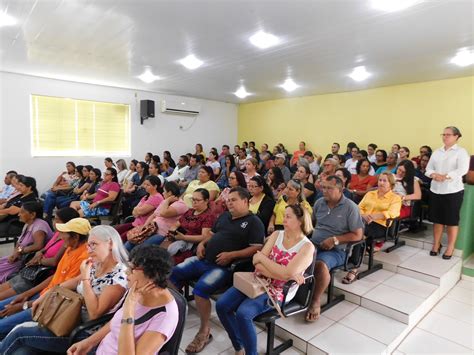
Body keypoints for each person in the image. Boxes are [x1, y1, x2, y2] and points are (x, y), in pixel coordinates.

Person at [0, 225, 129, 354]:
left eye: (94, 244)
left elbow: (95, 313)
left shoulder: (119, 277)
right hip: (66, 316)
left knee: (19, 332)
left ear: (111, 244)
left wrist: (85, 279)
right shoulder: (97, 264)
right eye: (88, 245)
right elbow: (72, 282)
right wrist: (45, 296)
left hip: (81, 331)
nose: (89, 250)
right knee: (22, 351)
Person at [170, 187, 265, 354]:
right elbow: (211, 235)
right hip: (204, 260)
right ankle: (171, 312)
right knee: (173, 273)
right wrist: (201, 244)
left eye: (233, 200)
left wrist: (232, 255)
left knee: (200, 289)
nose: (229, 203)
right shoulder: (224, 216)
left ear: (245, 201)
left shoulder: (254, 222)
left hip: (225, 267)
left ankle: (204, 331)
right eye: (228, 200)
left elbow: (257, 249)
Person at [216, 204, 314, 355]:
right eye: (284, 215)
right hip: (257, 280)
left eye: (288, 216)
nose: (283, 219)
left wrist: (264, 259)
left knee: (244, 313)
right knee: (221, 305)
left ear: (300, 221)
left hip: (280, 290)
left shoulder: (307, 247)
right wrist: (279, 270)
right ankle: (239, 346)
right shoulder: (277, 235)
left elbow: (284, 274)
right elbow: (256, 262)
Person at [67, 245, 179, 355]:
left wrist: (128, 312)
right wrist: (88, 343)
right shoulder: (138, 289)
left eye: (132, 269)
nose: (126, 272)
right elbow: (115, 322)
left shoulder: (165, 315)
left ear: (153, 275)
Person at [0, 217, 91, 339]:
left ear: (75, 237)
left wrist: (25, 305)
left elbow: (63, 292)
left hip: (52, 303)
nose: (60, 235)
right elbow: (55, 277)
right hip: (43, 295)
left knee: (3, 324)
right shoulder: (70, 248)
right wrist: (27, 294)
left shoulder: (83, 257)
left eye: (64, 233)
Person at [305, 175, 364, 321]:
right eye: (323, 187)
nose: (324, 191)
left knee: (320, 265)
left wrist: (335, 240)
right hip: (314, 244)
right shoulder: (319, 203)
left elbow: (358, 235)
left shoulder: (350, 207)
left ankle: (315, 300)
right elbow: (311, 225)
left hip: (337, 250)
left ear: (340, 189)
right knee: (292, 255)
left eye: (329, 188)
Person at [0, 207, 78, 302]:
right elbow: (43, 248)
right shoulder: (57, 234)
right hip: (30, 271)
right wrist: (38, 254)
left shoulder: (66, 240)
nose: (54, 221)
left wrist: (38, 260)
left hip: (38, 276)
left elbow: (54, 261)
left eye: (57, 219)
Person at [341, 172, 402, 283]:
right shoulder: (370, 194)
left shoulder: (395, 198)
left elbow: (393, 212)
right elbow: (359, 208)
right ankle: (344, 258)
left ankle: (354, 267)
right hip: (364, 221)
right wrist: (364, 215)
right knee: (351, 227)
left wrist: (374, 216)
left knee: (360, 232)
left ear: (391, 184)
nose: (381, 182)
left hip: (381, 226)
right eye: (380, 180)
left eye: (385, 181)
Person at [425, 126, 470, 259]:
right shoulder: (437, 152)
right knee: (437, 220)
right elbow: (428, 168)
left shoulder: (461, 152)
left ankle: (450, 247)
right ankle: (436, 244)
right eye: (443, 134)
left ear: (456, 136)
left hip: (453, 191)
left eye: (448, 135)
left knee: (451, 221)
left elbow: (462, 170)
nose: (445, 137)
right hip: (435, 190)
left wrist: (445, 176)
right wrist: (434, 174)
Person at [125, 181, 189, 251]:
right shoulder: (164, 201)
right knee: (129, 243)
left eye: (164, 191)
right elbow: (154, 215)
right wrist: (144, 226)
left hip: (162, 233)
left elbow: (163, 213)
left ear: (170, 193)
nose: (163, 193)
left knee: (139, 249)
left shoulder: (180, 205)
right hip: (151, 228)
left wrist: (167, 201)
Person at [0, 201, 52, 283]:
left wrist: (20, 251)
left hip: (27, 261)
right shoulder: (28, 224)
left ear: (32, 215)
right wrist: (14, 253)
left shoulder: (39, 226)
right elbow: (19, 242)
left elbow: (38, 245)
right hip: (19, 257)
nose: (18, 214)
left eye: (22, 212)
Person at [164, 189, 216, 256]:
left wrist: (184, 238)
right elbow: (177, 223)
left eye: (197, 200)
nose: (194, 202)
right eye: (193, 199)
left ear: (206, 201)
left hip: (192, 245)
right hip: (179, 238)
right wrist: (172, 232)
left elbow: (204, 237)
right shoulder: (190, 211)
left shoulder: (209, 216)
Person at [114, 176, 164, 240]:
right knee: (115, 231)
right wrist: (137, 210)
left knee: (120, 238)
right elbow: (134, 212)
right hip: (135, 223)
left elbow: (140, 211)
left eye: (148, 185)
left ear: (155, 186)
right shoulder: (146, 196)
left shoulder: (157, 198)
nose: (145, 186)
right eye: (145, 184)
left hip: (143, 226)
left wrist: (137, 210)